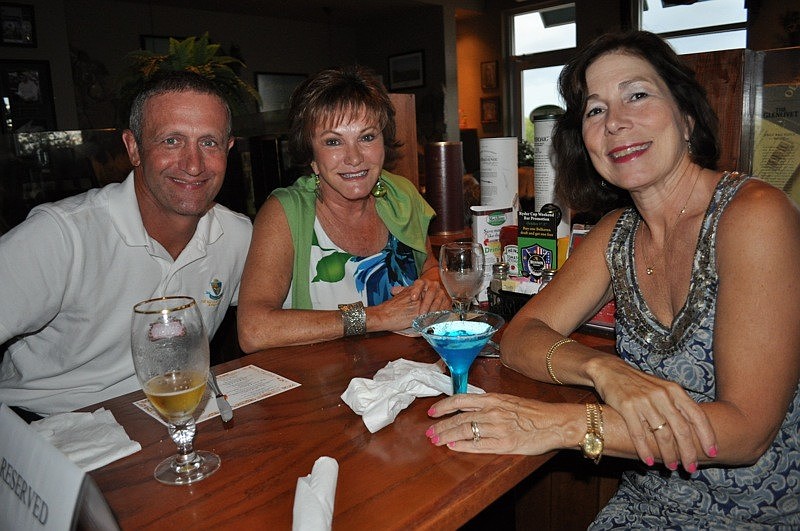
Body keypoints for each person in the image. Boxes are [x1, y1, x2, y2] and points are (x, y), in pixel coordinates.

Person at [425, 30, 800, 528]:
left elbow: (745, 432)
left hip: (758, 515)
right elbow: (519, 338)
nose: (616, 122)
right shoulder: (616, 232)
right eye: (595, 110)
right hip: (646, 507)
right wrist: (606, 371)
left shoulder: (755, 215)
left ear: (687, 117)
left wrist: (561, 425)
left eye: (637, 95)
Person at [0, 71, 253, 419]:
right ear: (133, 148)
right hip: (48, 424)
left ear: (228, 149)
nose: (194, 165)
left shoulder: (237, 235)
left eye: (208, 143)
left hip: (169, 415)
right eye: (172, 141)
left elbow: (272, 317)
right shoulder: (61, 235)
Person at [237, 65, 450, 350]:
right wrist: (376, 316)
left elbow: (430, 267)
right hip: (318, 375)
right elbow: (253, 330)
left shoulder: (400, 195)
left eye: (367, 137)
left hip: (408, 370)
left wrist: (434, 286)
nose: (354, 157)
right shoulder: (284, 213)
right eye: (333, 141)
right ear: (312, 157)